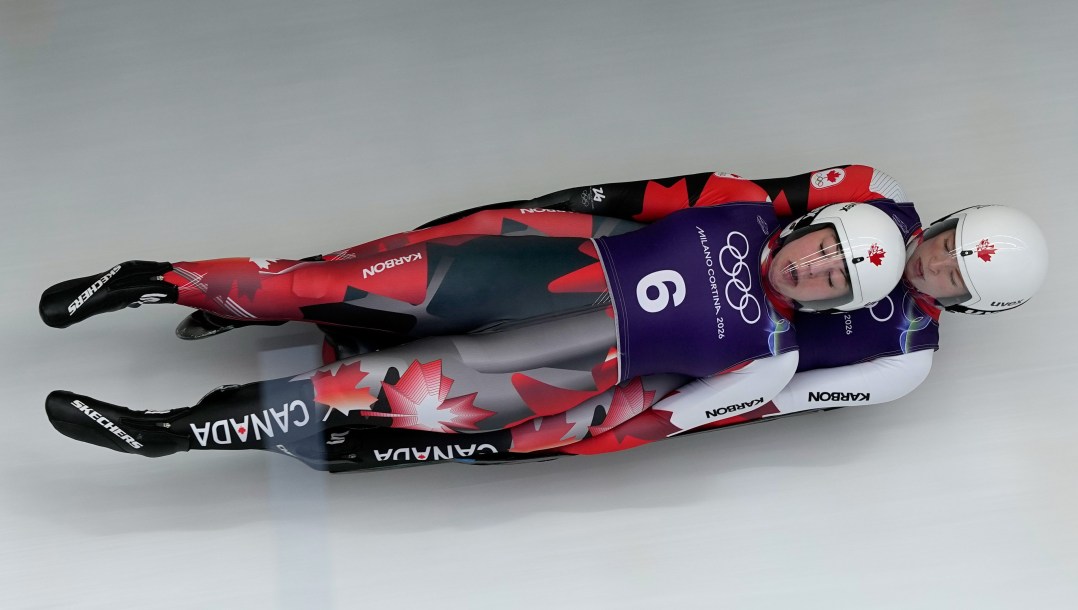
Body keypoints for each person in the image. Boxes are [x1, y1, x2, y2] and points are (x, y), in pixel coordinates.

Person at [40, 190, 907, 464]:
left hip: (560, 363)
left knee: (365, 397)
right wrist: (497, 223)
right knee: (323, 284)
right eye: (824, 250)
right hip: (524, 269)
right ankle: (153, 282)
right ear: (809, 226)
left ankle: (169, 433)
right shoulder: (743, 207)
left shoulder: (771, 357)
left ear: (834, 305)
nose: (814, 270)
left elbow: (657, 420)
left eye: (833, 281)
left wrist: (534, 442)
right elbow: (616, 201)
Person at [276, 164, 1048, 472]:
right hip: (666, 264)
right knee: (478, 237)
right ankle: (310, 286)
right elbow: (754, 199)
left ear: (966, 304)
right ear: (947, 221)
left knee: (538, 425)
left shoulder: (906, 360)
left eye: (951, 276)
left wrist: (651, 424)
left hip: (690, 359)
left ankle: (372, 435)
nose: (932, 265)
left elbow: (771, 403)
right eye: (946, 245)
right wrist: (600, 205)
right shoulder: (876, 191)